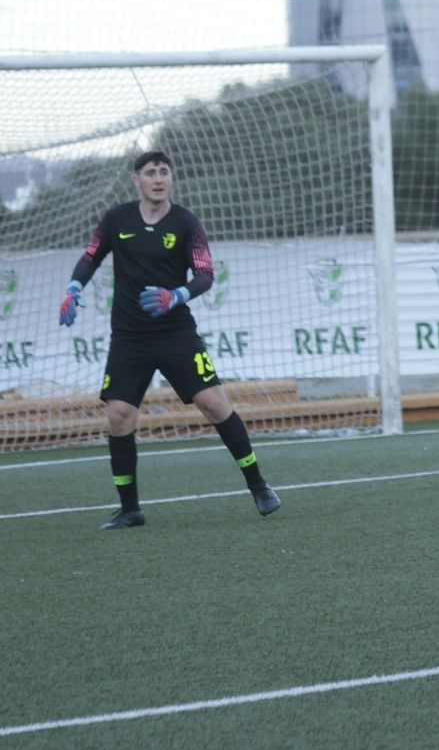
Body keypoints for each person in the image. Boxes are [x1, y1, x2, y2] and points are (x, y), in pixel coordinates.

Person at [58, 150, 281, 530]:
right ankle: (130, 509)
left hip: (176, 332)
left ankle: (260, 487)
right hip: (129, 335)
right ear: (137, 180)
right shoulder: (117, 219)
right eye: (150, 173)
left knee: (213, 404)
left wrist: (176, 295)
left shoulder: (187, 223)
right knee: (119, 415)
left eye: (164, 172)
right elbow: (92, 256)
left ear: (171, 178)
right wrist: (74, 286)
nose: (158, 178)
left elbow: (206, 274)